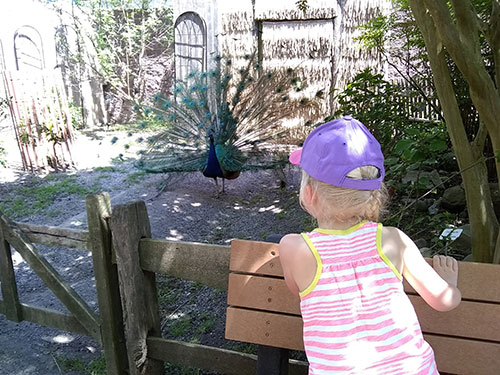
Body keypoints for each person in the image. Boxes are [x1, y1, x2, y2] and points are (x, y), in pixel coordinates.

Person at [279, 116, 461, 375]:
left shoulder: (295, 249)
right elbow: (445, 301)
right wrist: (450, 283)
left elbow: (297, 290)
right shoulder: (393, 240)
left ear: (309, 193)